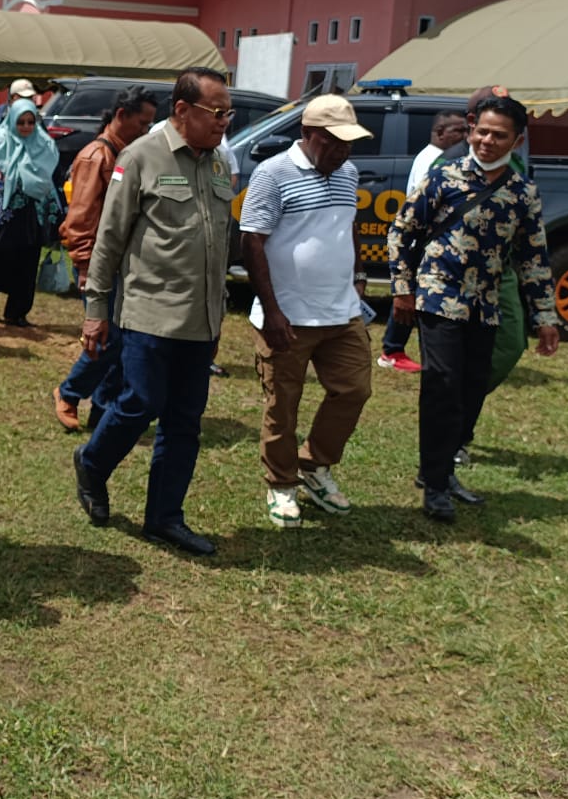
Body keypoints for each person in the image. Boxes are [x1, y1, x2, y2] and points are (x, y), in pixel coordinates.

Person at [73, 66, 235, 557]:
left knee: (185, 420)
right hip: (149, 313)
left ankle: (164, 517)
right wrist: (96, 308)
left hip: (201, 318)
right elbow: (111, 237)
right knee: (140, 402)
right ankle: (92, 464)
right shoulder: (140, 156)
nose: (224, 122)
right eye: (216, 112)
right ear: (182, 110)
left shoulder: (219, 165)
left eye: (228, 113)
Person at [387, 93, 561, 522]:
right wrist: (402, 288)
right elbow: (401, 231)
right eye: (480, 131)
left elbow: (533, 259)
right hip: (437, 295)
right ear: (470, 128)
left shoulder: (523, 194)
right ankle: (435, 482)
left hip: (484, 304)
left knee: (471, 387)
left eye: (498, 135)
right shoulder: (444, 177)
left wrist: (545, 318)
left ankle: (443, 469)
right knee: (443, 385)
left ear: (516, 141)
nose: (486, 141)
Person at [241, 95, 374, 529]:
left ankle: (314, 465)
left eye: (349, 143)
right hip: (288, 316)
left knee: (354, 389)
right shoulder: (273, 173)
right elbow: (253, 242)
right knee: (283, 405)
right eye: (335, 142)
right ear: (308, 134)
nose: (344, 152)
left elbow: (347, 225)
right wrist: (272, 310)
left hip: (341, 312)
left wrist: (358, 278)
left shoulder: (347, 172)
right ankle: (281, 484)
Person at [52, 85, 158, 431]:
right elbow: (79, 220)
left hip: (123, 265)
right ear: (121, 116)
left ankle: (103, 410)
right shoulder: (96, 156)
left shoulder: (125, 154)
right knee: (107, 339)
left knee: (121, 341)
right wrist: (84, 267)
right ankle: (69, 392)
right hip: (99, 265)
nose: (146, 131)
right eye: (142, 123)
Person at [379, 110, 469, 374]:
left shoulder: (434, 157)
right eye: (459, 131)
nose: (465, 136)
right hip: (422, 239)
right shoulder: (435, 160)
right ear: (440, 132)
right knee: (412, 297)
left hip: (423, 239)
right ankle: (392, 349)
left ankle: (395, 348)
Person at [0, 99, 63, 327]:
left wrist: (58, 215)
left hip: (33, 217)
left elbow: (56, 180)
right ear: (11, 121)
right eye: (21, 122)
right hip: (3, 216)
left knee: (28, 264)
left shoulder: (45, 146)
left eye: (31, 122)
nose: (26, 127)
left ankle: (17, 312)